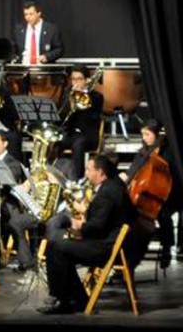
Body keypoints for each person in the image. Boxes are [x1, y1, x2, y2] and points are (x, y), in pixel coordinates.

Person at [39, 154, 136, 314]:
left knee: (55, 246)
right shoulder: (113, 185)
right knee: (60, 247)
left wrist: (79, 226)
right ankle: (75, 299)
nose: (86, 174)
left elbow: (97, 227)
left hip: (105, 248)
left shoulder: (108, 192)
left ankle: (64, 299)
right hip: (108, 242)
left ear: (101, 172)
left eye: (89, 170)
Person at [120, 119, 180, 268]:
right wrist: (126, 177)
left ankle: (167, 248)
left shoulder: (166, 153)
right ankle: (123, 256)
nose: (144, 138)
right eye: (143, 134)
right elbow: (134, 170)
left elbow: (167, 177)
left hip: (166, 194)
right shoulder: (143, 151)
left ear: (157, 135)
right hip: (145, 194)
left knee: (163, 214)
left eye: (147, 134)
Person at [56, 67, 104, 180]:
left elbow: (95, 118)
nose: (75, 82)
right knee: (52, 140)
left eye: (79, 79)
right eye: (73, 79)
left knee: (79, 144)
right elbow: (61, 117)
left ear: (86, 80)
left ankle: (77, 179)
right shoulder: (67, 94)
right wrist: (71, 105)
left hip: (88, 134)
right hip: (70, 133)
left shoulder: (97, 97)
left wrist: (84, 103)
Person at [12, 0, 64, 64]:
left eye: (31, 14)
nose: (28, 17)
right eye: (25, 14)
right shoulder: (19, 29)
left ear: (39, 13)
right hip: (23, 68)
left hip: (43, 68)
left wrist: (47, 57)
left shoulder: (51, 29)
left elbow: (59, 49)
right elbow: (13, 49)